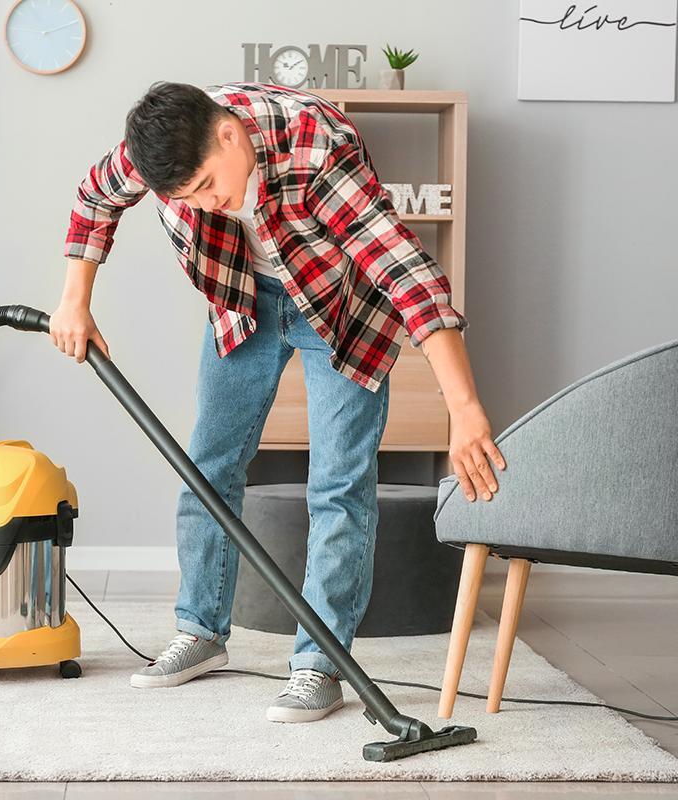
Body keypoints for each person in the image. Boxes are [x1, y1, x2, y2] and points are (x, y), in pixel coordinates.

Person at [52, 81, 505, 723]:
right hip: (245, 301)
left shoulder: (316, 148)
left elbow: (406, 272)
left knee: (339, 486)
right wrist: (75, 298)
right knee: (206, 469)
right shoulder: (160, 152)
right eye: (188, 199)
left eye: (210, 184)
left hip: (343, 307)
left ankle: (319, 666)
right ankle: (201, 631)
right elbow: (95, 196)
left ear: (230, 134)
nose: (208, 203)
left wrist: (463, 408)